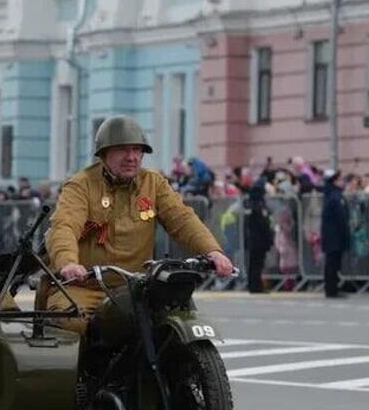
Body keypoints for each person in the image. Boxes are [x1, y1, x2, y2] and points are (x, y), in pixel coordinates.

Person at [46, 115, 233, 331]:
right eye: (122, 150)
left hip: (137, 287)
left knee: (177, 320)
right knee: (70, 322)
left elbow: (182, 219)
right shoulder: (81, 185)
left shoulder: (153, 183)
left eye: (137, 150)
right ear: (104, 154)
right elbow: (64, 226)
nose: (131, 157)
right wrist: (68, 263)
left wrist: (212, 251)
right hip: (86, 286)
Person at [321, 170, 350, 298]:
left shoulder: (333, 194)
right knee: (332, 263)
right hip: (335, 235)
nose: (343, 182)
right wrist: (345, 232)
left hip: (332, 234)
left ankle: (332, 288)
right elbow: (340, 217)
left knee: (333, 263)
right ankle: (331, 289)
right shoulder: (335, 196)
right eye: (340, 180)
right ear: (335, 181)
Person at [244, 180, 274, 293]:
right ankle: (256, 286)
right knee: (257, 264)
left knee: (255, 264)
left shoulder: (250, 203)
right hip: (258, 239)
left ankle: (254, 285)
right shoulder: (258, 205)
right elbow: (263, 223)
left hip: (254, 239)